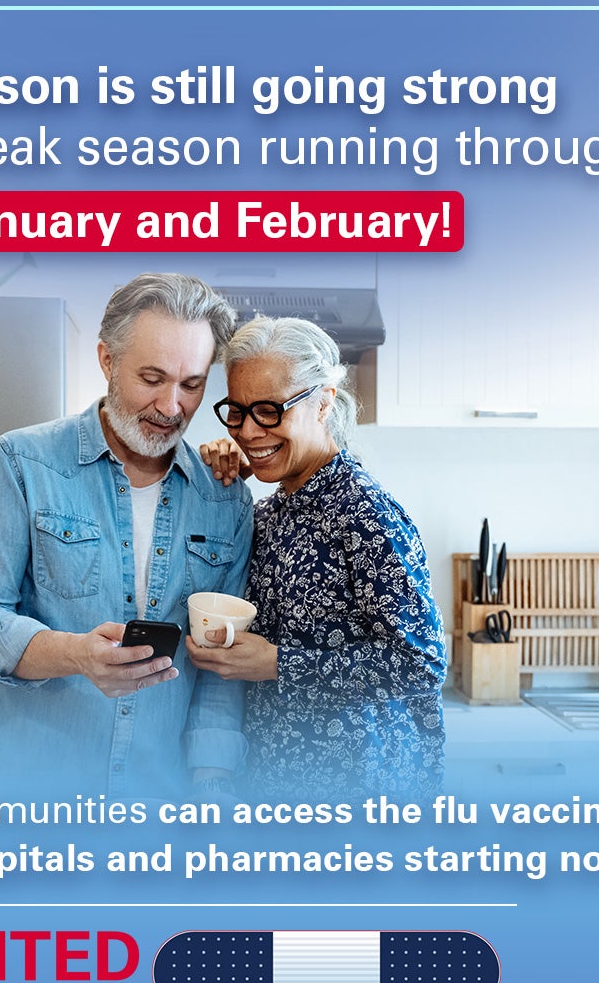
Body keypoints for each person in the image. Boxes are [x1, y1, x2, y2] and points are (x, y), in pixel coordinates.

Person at [0, 274, 253, 801]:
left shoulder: (224, 498)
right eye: (152, 377)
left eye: (192, 383)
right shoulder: (22, 463)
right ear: (107, 360)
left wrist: (213, 784)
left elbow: (217, 672)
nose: (171, 405)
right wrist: (74, 654)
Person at [189, 316, 446, 801]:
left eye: (268, 410)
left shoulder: (364, 513)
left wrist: (281, 664)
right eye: (236, 413)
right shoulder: (270, 510)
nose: (247, 430)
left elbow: (422, 662)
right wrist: (219, 486)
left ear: (323, 401)